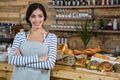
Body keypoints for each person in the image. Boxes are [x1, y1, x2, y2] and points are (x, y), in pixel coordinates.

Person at [8, 3, 57, 80]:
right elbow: (11, 60)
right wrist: (39, 59)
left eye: (40, 16)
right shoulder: (20, 36)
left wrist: (21, 60)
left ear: (44, 17)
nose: (37, 20)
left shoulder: (51, 37)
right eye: (33, 16)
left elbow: (49, 64)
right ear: (28, 18)